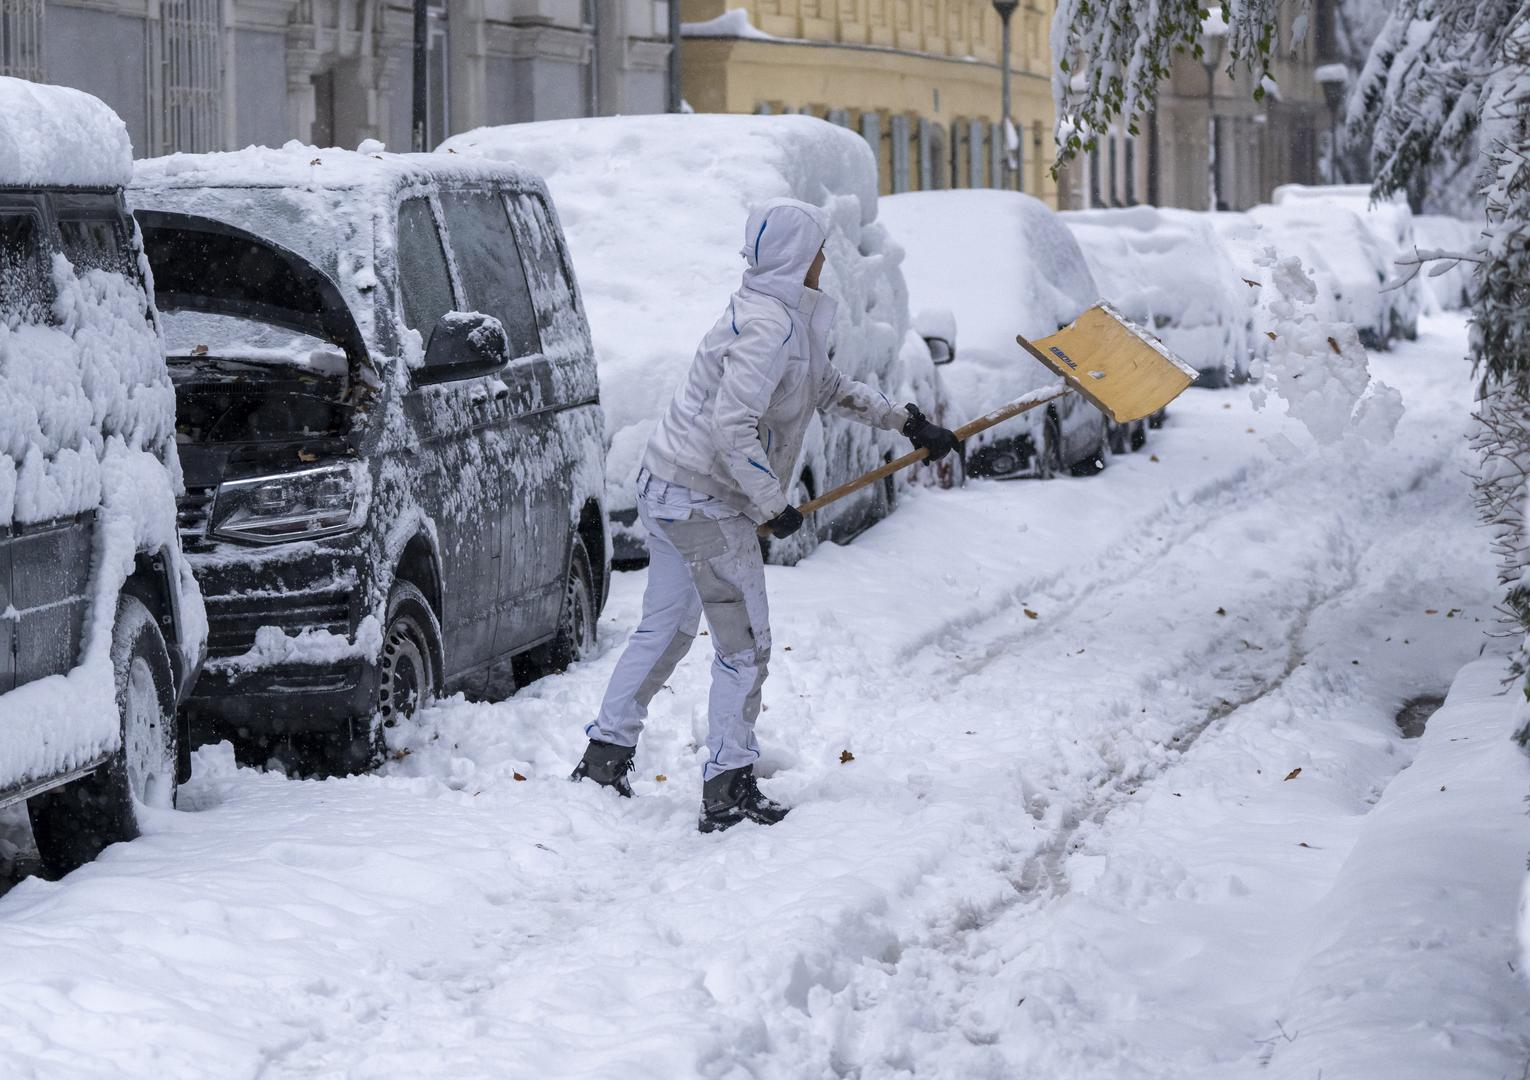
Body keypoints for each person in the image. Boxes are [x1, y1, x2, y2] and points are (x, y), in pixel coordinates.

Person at [571, 197, 959, 833]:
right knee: (743, 649)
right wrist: (772, 505)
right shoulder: (768, 327)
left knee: (665, 632)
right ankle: (727, 788)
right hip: (702, 501)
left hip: (669, 488)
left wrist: (906, 421)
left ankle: (604, 759)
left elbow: (824, 388)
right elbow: (732, 424)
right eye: (815, 251)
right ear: (793, 256)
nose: (823, 261)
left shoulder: (776, 316)